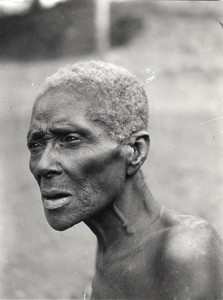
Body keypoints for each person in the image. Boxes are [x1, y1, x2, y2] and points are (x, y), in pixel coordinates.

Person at [27, 61, 223, 299]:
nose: (43, 165)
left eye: (70, 139)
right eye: (36, 145)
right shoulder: (110, 255)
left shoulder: (185, 248)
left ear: (135, 151)